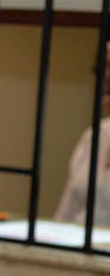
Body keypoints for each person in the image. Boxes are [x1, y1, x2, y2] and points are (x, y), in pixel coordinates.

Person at [54, 42, 110, 227]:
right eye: (103, 67)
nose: (106, 76)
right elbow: (67, 212)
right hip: (79, 241)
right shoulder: (95, 136)